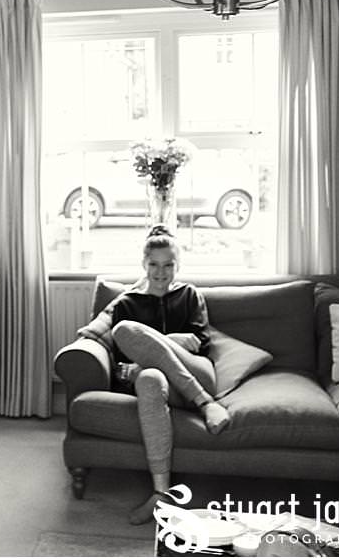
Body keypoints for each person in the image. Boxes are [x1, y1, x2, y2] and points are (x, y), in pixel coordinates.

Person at [108, 225, 231, 525]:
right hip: (157, 383)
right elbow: (125, 359)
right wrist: (173, 340)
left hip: (196, 373)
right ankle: (161, 494)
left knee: (137, 346)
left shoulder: (189, 295)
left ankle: (204, 401)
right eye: (154, 264)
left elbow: (199, 342)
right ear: (143, 264)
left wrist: (151, 345)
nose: (161, 272)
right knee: (147, 375)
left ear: (178, 266)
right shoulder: (126, 303)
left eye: (168, 265)